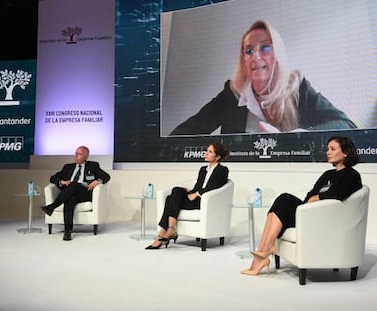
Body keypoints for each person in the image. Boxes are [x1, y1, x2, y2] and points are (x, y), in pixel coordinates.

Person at [170, 20, 356, 135]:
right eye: (249, 50)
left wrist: (296, 137)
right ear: (243, 58)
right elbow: (188, 130)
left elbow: (347, 125)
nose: (256, 56)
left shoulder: (298, 87)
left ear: (278, 54)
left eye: (265, 47)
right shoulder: (232, 93)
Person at [241, 136, 362, 275]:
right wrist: (309, 202)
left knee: (284, 201)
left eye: (333, 149)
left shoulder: (352, 175)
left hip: (324, 218)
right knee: (283, 200)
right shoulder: (328, 174)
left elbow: (338, 194)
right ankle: (262, 252)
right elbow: (311, 194)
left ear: (345, 152)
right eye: (328, 149)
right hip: (308, 213)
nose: (328, 152)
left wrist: (316, 198)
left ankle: (262, 255)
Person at [145, 142, 230, 249]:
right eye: (207, 151)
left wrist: (197, 194)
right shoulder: (203, 169)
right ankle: (170, 229)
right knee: (175, 191)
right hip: (194, 197)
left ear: (217, 157)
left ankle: (164, 232)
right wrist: (190, 191)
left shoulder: (222, 170)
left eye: (210, 152)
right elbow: (198, 186)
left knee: (170, 199)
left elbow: (216, 186)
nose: (206, 153)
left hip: (204, 201)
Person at [40, 146, 110, 241]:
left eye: (79, 154)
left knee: (74, 185)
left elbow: (106, 176)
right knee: (70, 199)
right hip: (70, 193)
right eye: (76, 153)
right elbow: (53, 178)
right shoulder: (68, 167)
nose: (76, 156)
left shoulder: (93, 166)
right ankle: (67, 231)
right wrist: (62, 182)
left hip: (85, 193)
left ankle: (52, 206)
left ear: (86, 156)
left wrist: (97, 181)